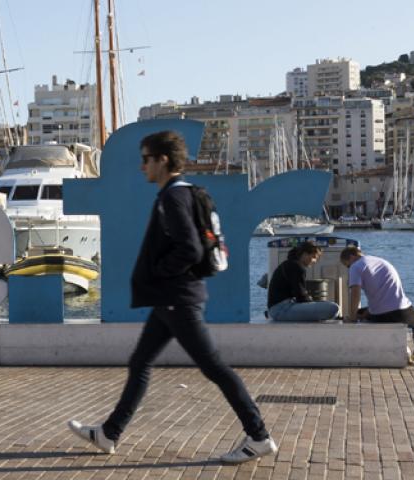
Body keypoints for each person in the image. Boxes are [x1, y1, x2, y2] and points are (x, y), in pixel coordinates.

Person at [65, 130, 277, 464]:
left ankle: (259, 436)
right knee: (140, 362)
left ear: (162, 160)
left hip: (177, 298)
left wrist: (159, 272)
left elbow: (190, 249)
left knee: (214, 367)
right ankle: (109, 433)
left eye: (146, 159)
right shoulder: (185, 193)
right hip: (171, 299)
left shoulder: (173, 198)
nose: (142, 167)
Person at [340, 246, 414, 366]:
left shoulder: (355, 266)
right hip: (401, 309)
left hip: (379, 314)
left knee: (360, 314)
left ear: (351, 257)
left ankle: (406, 351)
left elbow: (355, 292)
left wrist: (352, 317)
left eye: (347, 265)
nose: (348, 268)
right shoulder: (381, 261)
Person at [266, 242, 340, 323]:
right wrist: (312, 303)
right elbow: (300, 296)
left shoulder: (289, 263)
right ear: (304, 254)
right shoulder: (297, 267)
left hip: (279, 308)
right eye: (314, 257)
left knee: (325, 304)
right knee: (333, 308)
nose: (315, 261)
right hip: (282, 310)